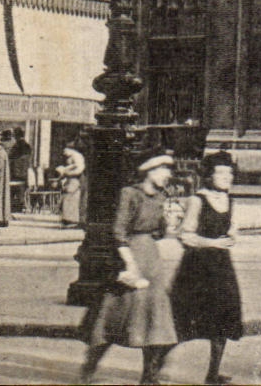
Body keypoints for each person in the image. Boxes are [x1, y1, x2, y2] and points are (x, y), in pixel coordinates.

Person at [79, 151, 179, 385]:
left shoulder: (161, 197)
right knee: (115, 316)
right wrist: (130, 266)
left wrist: (168, 222)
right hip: (129, 256)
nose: (168, 176)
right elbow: (119, 232)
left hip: (151, 260)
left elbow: (158, 232)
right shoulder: (130, 194)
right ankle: (89, 367)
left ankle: (149, 377)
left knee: (157, 320)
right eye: (164, 170)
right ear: (150, 171)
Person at [171, 151, 243, 385]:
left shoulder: (230, 200)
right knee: (182, 321)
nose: (227, 177)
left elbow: (231, 226)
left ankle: (213, 374)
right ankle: (150, 372)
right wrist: (214, 243)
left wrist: (232, 234)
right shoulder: (197, 200)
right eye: (221, 172)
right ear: (209, 175)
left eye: (230, 173)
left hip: (221, 267)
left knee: (222, 320)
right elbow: (186, 236)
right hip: (197, 267)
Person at [57, 139, 86, 227]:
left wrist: (66, 172)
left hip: (75, 179)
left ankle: (72, 219)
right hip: (70, 179)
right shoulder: (69, 157)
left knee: (71, 198)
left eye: (65, 150)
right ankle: (66, 218)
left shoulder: (76, 156)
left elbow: (80, 169)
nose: (64, 152)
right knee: (66, 198)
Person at [10, 129, 33, 209]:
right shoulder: (27, 145)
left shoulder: (17, 145)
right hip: (24, 172)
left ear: (16, 135)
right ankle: (22, 205)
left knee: (14, 190)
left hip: (16, 172)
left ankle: (18, 205)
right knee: (22, 190)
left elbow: (11, 157)